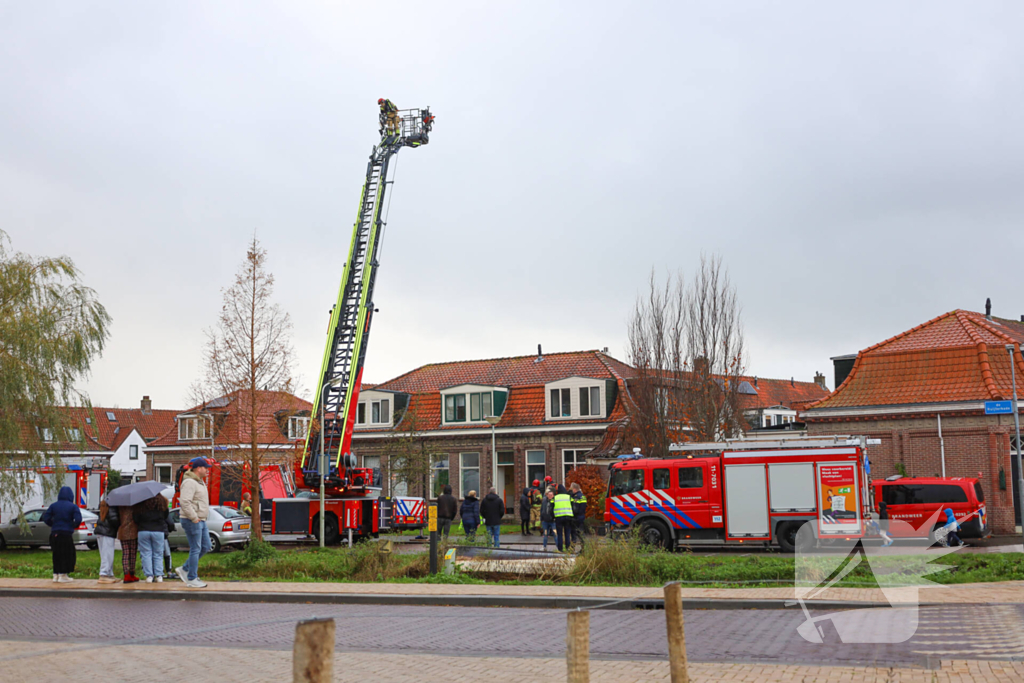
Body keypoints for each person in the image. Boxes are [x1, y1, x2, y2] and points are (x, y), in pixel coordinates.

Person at [176, 457, 212, 588]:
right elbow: (185, 502)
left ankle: (185, 568)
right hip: (192, 520)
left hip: (201, 520)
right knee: (196, 548)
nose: (207, 470)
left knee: (206, 546)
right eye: (205, 468)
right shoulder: (189, 482)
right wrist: (194, 517)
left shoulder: (199, 482)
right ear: (198, 468)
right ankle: (191, 578)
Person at [41, 486, 82, 583]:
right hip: (66, 534)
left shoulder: (53, 506)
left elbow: (46, 518)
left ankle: (55, 575)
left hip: (55, 534)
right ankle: (63, 575)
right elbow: (78, 519)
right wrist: (72, 526)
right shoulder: (73, 506)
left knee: (56, 554)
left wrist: (53, 524)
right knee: (67, 554)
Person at [135, 494, 169, 583]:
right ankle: (159, 575)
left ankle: (149, 575)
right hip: (158, 530)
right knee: (158, 553)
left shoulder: (141, 504)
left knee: (146, 553)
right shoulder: (162, 503)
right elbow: (165, 516)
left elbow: (135, 518)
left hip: (143, 530)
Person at [93, 499, 120, 584]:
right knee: (108, 554)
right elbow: (114, 520)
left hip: (100, 532)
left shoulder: (103, 506)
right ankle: (104, 574)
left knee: (104, 553)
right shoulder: (112, 507)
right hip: (108, 533)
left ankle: (109, 574)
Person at [117, 499, 140, 584]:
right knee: (133, 554)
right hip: (133, 531)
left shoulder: (120, 506)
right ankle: (132, 573)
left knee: (125, 553)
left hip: (122, 531)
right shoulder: (135, 506)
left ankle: (126, 574)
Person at [552, 484, 575, 552]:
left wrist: (553, 516)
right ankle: (567, 547)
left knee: (559, 534)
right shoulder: (569, 497)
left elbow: (551, 507)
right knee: (567, 533)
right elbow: (574, 506)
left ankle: (560, 548)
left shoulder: (555, 498)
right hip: (568, 517)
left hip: (558, 517)